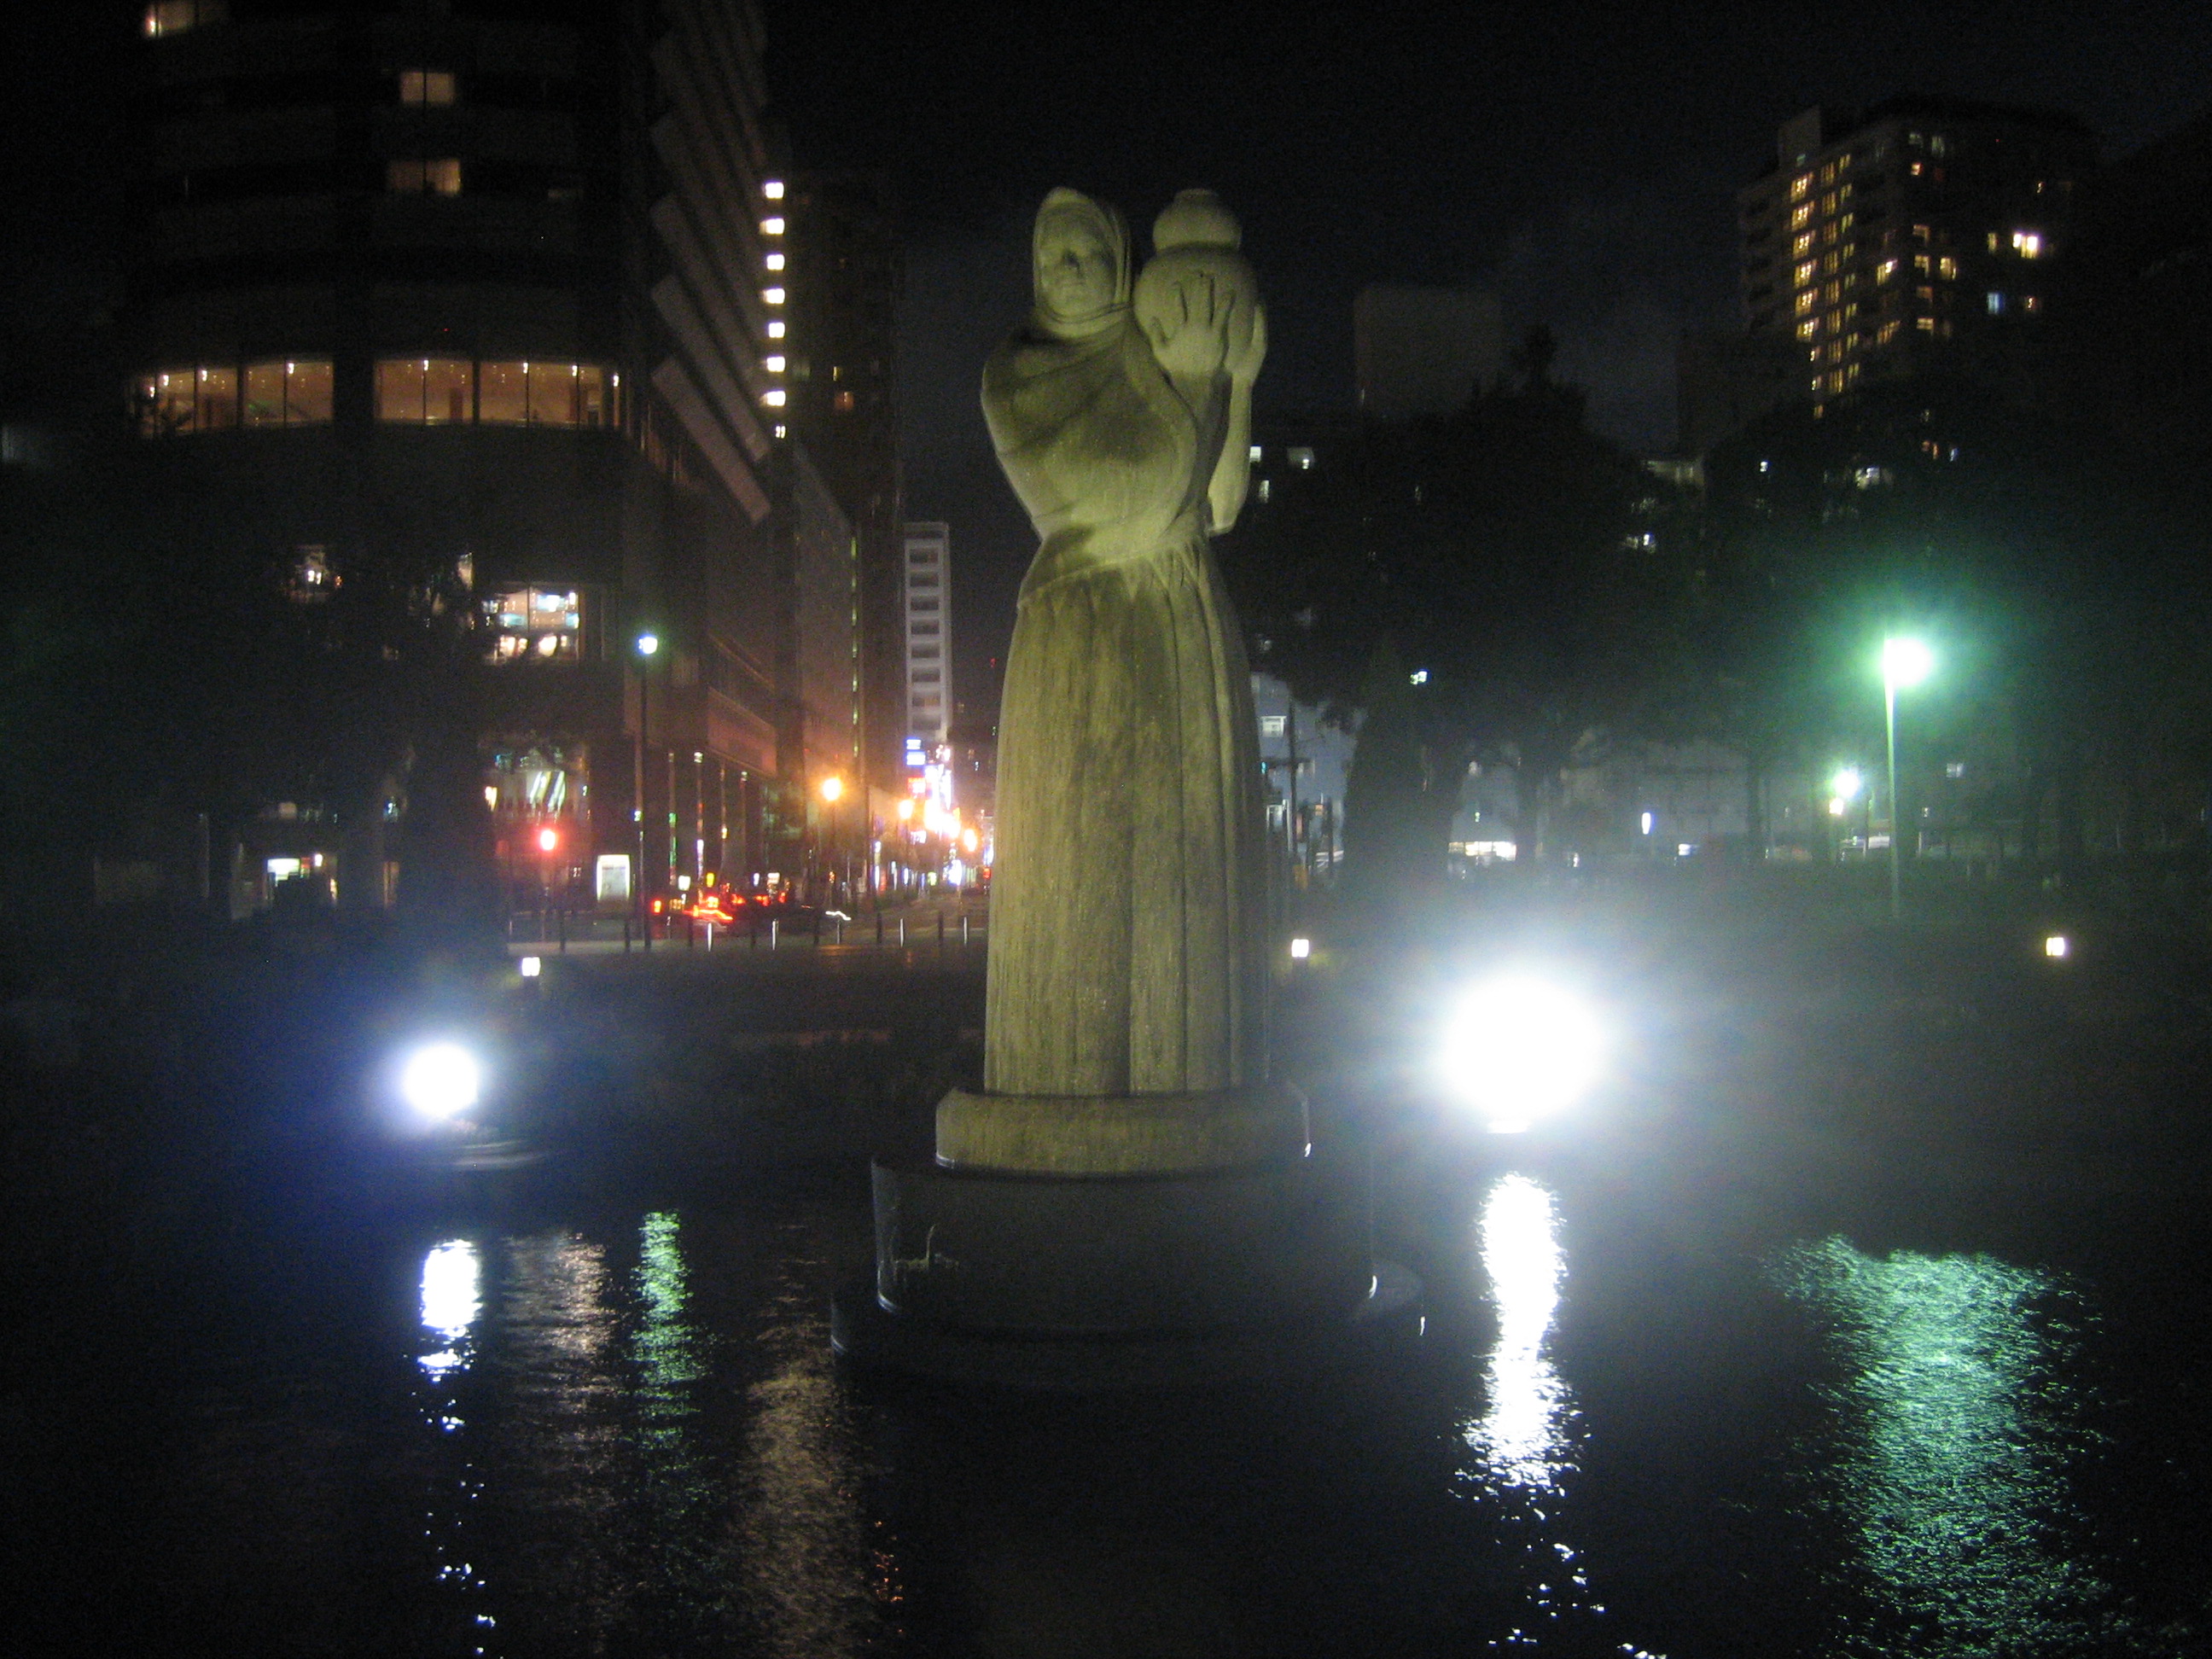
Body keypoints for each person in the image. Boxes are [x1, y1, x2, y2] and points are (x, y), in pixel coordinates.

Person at [979, 188, 1267, 1099]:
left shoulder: (1156, 341)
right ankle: (1059, 1085)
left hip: (1184, 615)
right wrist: (1202, 382)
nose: (1068, 270)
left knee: (1190, 862)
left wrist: (1236, 381)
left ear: (1122, 261)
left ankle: (1195, 1080)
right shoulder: (1015, 377)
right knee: (1080, 871)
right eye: (1051, 257)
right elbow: (1128, 497)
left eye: (1087, 253)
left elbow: (1218, 503)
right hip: (1079, 624)